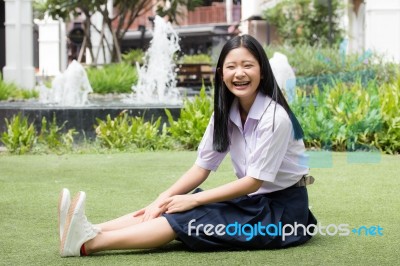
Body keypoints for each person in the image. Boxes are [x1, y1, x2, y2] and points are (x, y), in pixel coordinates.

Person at [58, 34, 317, 257]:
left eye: (248, 65)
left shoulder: (275, 118)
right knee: (171, 205)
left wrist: (190, 202)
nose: (239, 73)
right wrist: (162, 199)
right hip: (252, 202)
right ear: (221, 73)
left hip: (280, 215)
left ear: (262, 71)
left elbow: (253, 182)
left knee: (189, 213)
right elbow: (202, 167)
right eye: (232, 67)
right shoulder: (225, 113)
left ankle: (88, 244)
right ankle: (89, 228)